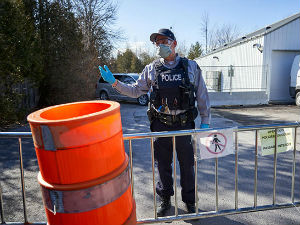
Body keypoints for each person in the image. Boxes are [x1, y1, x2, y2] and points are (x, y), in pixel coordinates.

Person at [99, 28, 211, 216]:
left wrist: (205, 120)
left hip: (184, 123)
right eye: (157, 42)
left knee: (187, 164)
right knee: (163, 165)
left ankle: (190, 202)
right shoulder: (151, 69)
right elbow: (135, 91)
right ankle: (165, 199)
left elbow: (202, 94)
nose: (160, 45)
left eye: (164, 41)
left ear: (174, 43)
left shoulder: (190, 66)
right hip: (161, 124)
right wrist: (114, 83)